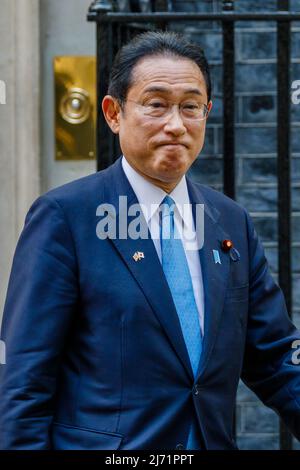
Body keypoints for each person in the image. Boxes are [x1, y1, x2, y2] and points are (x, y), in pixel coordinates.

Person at [0, 31, 300, 450]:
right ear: (113, 113)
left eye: (190, 107)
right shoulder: (66, 217)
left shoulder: (229, 222)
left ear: (206, 114)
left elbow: (276, 356)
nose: (175, 125)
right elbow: (25, 377)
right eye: (156, 104)